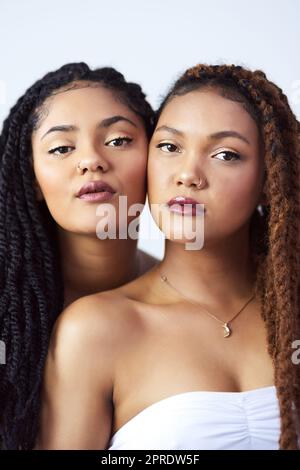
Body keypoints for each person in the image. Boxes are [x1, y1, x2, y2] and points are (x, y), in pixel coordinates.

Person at [37, 64, 300, 450]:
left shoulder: (291, 311)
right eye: (170, 147)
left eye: (226, 154)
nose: (188, 174)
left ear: (269, 180)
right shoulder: (93, 330)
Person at [0, 62, 157, 449]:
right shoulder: (9, 311)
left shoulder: (191, 302)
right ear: (32, 178)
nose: (91, 160)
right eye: (61, 148)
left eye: (118, 140)